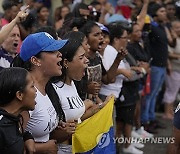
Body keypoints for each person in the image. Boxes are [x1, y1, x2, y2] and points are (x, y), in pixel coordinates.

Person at [11, 32, 75, 153]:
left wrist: (59, 129)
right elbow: (10, 143)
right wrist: (41, 148)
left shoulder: (47, 89)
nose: (60, 54)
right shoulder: (26, 95)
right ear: (35, 60)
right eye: (52, 51)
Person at [52, 31, 112, 154]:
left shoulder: (72, 84)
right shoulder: (54, 90)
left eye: (85, 56)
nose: (86, 61)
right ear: (66, 63)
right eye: (81, 58)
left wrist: (100, 107)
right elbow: (52, 133)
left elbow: (76, 119)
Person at [0, 67, 36, 154]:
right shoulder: (1, 127)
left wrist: (27, 137)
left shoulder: (14, 118)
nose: (35, 90)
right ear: (19, 95)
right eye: (32, 86)